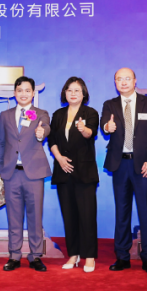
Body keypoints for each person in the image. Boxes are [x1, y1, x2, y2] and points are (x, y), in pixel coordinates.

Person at [100, 68, 147, 274]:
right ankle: (122, 256)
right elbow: (104, 125)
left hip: (144, 166)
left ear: (135, 81)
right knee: (122, 212)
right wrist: (107, 128)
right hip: (120, 165)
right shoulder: (110, 104)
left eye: (127, 78)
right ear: (115, 82)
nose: (123, 82)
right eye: (119, 79)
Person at [0, 76, 51, 272]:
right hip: (11, 173)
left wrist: (42, 133)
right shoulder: (5, 115)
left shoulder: (41, 113)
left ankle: (35, 256)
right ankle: (14, 255)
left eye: (27, 90)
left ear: (33, 93)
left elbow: (46, 127)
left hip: (33, 174)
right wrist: (0, 168)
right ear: (14, 93)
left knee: (35, 217)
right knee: (14, 217)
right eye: (20, 90)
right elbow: (1, 143)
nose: (23, 94)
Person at [48, 77, 100, 273]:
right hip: (63, 170)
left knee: (87, 215)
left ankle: (89, 256)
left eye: (77, 90)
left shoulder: (90, 113)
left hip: (84, 173)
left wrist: (83, 129)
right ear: (65, 93)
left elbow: (91, 133)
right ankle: (73, 254)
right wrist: (59, 158)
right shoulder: (58, 114)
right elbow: (52, 139)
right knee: (69, 216)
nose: (73, 93)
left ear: (83, 93)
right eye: (69, 90)